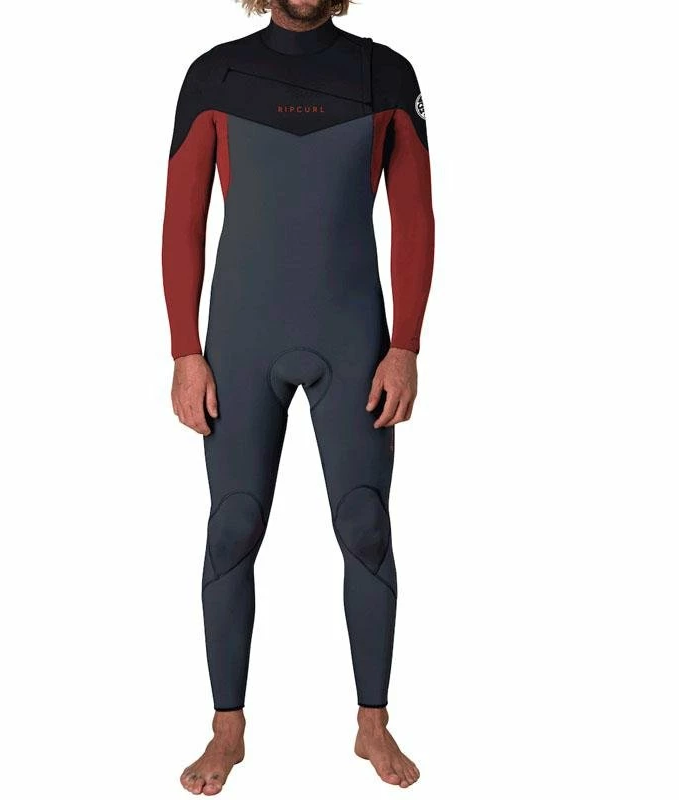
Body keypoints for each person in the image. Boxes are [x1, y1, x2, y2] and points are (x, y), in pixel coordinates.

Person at [162, 0, 434, 793]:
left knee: (366, 527)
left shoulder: (387, 74)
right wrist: (184, 351)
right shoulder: (214, 75)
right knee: (232, 530)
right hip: (240, 343)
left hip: (355, 342)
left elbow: (415, 218)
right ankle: (227, 731)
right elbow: (181, 220)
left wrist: (406, 346)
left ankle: (372, 726)